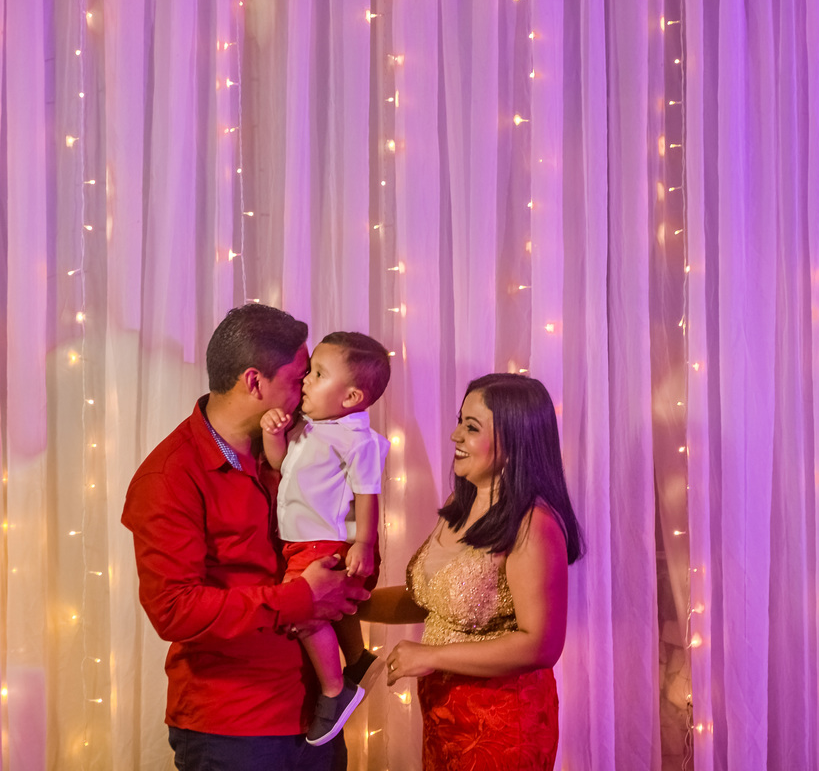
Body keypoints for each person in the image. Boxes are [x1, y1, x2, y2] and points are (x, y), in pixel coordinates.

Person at [122, 303, 369, 771]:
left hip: (317, 716)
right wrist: (300, 598)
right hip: (233, 726)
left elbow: (341, 535)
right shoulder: (169, 477)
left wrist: (351, 567)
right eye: (299, 377)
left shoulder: (300, 447)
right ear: (254, 382)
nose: (308, 388)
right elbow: (173, 610)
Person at [358, 373, 584, 770]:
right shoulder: (458, 505)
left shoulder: (534, 523)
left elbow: (542, 645)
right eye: (460, 421)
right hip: (444, 718)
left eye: (472, 427)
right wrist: (350, 604)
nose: (455, 436)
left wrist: (432, 656)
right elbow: (431, 601)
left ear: (514, 442)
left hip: (502, 725)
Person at [260, 331, 392, 746]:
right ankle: (357, 661)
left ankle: (336, 691)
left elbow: (368, 495)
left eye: (318, 374)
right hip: (299, 543)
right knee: (321, 609)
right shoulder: (311, 428)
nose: (305, 381)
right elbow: (280, 465)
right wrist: (273, 434)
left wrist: (364, 544)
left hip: (326, 544)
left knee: (301, 611)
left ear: (351, 397)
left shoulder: (356, 441)